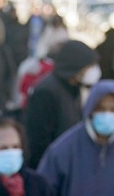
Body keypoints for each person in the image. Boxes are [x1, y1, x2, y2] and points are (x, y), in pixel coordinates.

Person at [23, 40, 100, 169]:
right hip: (50, 167)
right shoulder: (46, 91)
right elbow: (38, 139)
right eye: (89, 66)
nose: (91, 71)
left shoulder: (73, 88)